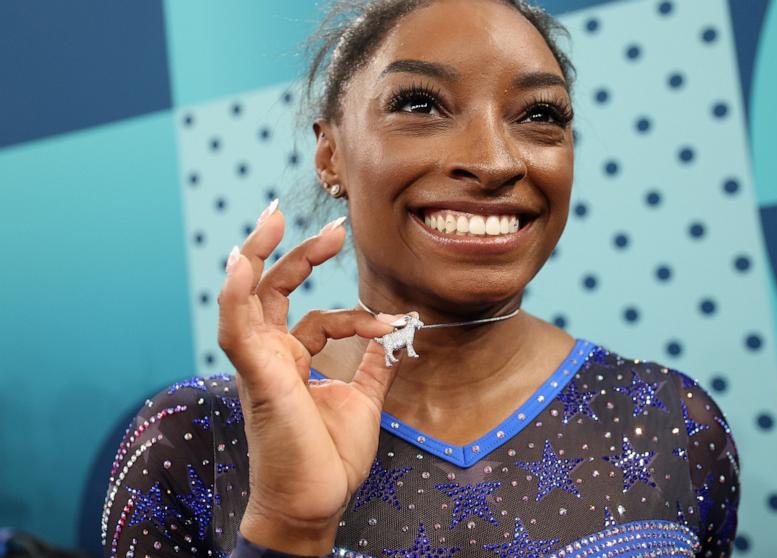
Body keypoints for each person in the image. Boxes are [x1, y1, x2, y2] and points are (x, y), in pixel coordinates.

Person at [100, 0, 740, 555]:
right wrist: (288, 528)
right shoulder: (193, 439)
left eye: (539, 114)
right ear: (331, 154)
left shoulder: (674, 423)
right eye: (420, 104)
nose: (493, 162)